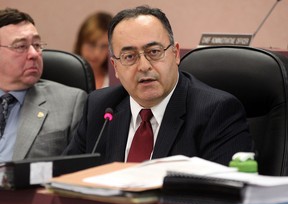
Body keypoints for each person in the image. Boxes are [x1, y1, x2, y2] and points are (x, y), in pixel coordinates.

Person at [63, 5, 254, 166]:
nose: (144, 66)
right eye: (129, 57)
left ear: (175, 53)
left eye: (154, 52)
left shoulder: (216, 112)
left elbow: (221, 198)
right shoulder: (100, 108)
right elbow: (65, 180)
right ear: (116, 67)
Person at [0, 8, 87, 162]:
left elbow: (79, 171)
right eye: (21, 46)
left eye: (37, 44)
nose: (34, 54)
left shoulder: (71, 102)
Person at [74, 12, 112, 89]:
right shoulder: (65, 76)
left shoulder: (115, 81)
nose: (96, 53)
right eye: (92, 44)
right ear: (81, 42)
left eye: (104, 46)